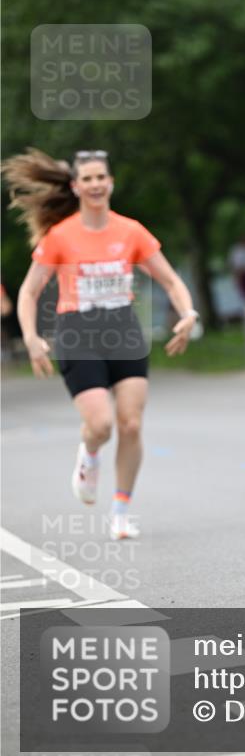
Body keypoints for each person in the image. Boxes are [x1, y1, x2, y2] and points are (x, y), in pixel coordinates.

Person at [3, 148, 199, 539]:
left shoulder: (130, 231)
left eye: (100, 177)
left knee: (130, 423)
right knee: (101, 424)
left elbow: (171, 280)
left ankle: (121, 511)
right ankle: (89, 454)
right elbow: (27, 292)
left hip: (124, 330)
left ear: (110, 183)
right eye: (87, 179)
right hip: (78, 333)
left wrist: (189, 312)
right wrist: (31, 337)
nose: (95, 184)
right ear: (76, 186)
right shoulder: (61, 237)